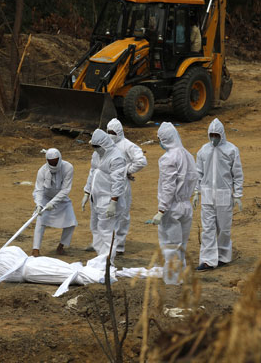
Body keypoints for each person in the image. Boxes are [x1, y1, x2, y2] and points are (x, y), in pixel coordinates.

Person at [146, 122, 198, 285]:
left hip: (172, 208)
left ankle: (172, 280)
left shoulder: (168, 158)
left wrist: (161, 210)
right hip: (186, 206)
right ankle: (180, 276)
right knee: (180, 245)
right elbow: (194, 178)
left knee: (170, 246)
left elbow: (168, 186)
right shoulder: (188, 155)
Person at [193, 118, 243, 270]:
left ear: (222, 134)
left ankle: (223, 256)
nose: (214, 138)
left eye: (216, 135)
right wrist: (196, 191)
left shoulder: (231, 150)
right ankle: (208, 260)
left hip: (224, 194)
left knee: (223, 228)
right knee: (208, 228)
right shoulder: (203, 150)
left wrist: (238, 195)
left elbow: (237, 174)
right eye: (212, 135)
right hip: (208, 194)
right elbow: (198, 172)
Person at [81, 129, 127, 264]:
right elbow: (92, 173)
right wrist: (86, 192)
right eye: (93, 147)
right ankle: (100, 257)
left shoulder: (116, 157)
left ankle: (108, 262)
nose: (95, 149)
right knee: (95, 228)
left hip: (108, 200)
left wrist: (113, 202)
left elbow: (118, 181)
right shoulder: (96, 155)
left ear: (104, 144)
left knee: (106, 231)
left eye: (97, 147)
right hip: (96, 199)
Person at [106, 118, 147, 255]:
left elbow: (141, 161)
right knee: (107, 213)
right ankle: (107, 242)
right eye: (108, 132)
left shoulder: (127, 145)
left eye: (113, 132)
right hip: (107, 183)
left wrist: (127, 171)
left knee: (122, 215)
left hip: (122, 185)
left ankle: (119, 246)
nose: (110, 134)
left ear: (119, 132)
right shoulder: (107, 145)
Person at [31, 148, 77, 257]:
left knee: (71, 222)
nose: (53, 163)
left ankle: (61, 247)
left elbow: (65, 189)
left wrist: (54, 202)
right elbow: (38, 190)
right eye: (51, 162)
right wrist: (38, 204)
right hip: (45, 198)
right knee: (40, 221)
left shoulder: (68, 167)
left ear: (60, 158)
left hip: (61, 199)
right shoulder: (42, 170)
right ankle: (35, 249)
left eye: (55, 161)